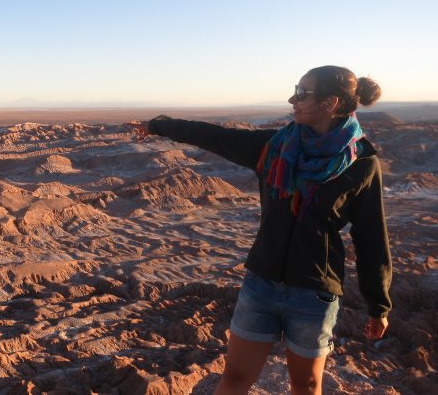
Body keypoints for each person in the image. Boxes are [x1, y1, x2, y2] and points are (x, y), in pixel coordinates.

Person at [133, 65, 392, 395]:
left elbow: (371, 237)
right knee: (236, 379)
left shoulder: (362, 163)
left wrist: (378, 305)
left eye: (302, 93)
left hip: (313, 293)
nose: (292, 99)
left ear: (330, 103)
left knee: (306, 385)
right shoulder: (274, 147)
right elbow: (213, 135)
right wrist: (158, 126)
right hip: (261, 284)